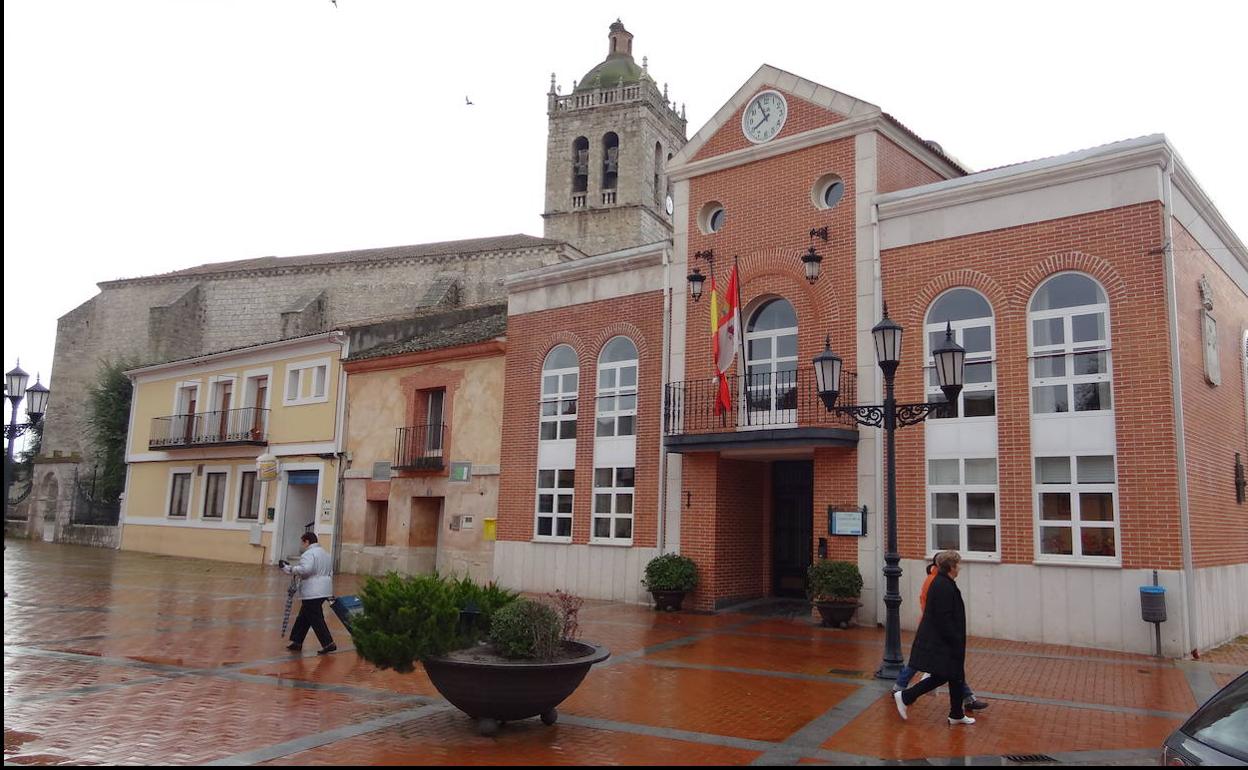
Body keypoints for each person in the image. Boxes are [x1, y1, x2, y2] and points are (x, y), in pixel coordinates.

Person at [893, 556, 987, 711]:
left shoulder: (939, 580)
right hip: (934, 632)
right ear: (949, 566)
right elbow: (935, 609)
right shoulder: (938, 582)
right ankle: (902, 692)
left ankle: (962, 705)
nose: (959, 568)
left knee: (946, 669)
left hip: (934, 630)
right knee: (937, 668)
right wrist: (953, 636)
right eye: (957, 565)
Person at [283, 532, 336, 655]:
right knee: (304, 616)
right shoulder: (325, 553)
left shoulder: (309, 554)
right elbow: (330, 571)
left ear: (307, 542)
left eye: (303, 542)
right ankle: (297, 641)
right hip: (324, 590)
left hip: (312, 591)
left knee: (316, 618)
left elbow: (306, 570)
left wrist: (291, 569)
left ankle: (328, 643)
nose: (302, 545)